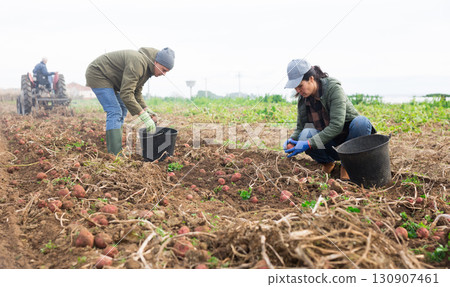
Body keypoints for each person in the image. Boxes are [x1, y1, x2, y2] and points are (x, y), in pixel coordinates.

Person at [283, 59, 375, 180]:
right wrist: (292, 140)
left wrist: (309, 143)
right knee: (305, 133)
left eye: (300, 86)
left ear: (311, 78)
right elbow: (301, 127)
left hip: (349, 140)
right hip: (329, 143)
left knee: (361, 123)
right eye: (296, 88)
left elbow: (337, 125)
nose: (298, 91)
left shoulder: (333, 88)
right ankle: (327, 162)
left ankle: (347, 166)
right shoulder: (303, 99)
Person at [85, 47, 174, 155]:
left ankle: (116, 148)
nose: (164, 74)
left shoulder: (147, 69)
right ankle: (114, 153)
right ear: (156, 62)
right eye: (163, 69)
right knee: (115, 111)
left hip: (112, 80)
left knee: (123, 108)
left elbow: (136, 92)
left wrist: (146, 110)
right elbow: (126, 93)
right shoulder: (138, 63)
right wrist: (143, 115)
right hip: (99, 74)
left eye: (166, 72)